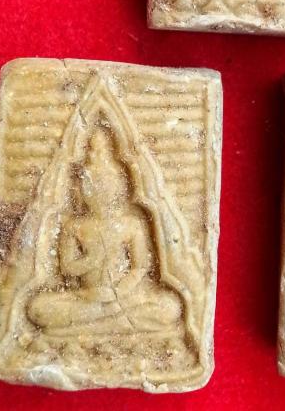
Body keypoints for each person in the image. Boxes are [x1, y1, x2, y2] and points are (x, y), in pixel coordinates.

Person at [27, 129, 182, 335]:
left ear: (119, 187)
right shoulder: (75, 226)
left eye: (107, 184)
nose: (101, 191)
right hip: (86, 298)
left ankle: (88, 326)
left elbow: (140, 266)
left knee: (170, 307)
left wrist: (120, 290)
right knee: (38, 309)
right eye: (93, 186)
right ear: (82, 191)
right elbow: (68, 268)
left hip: (124, 297)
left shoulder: (131, 224)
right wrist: (90, 261)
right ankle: (115, 323)